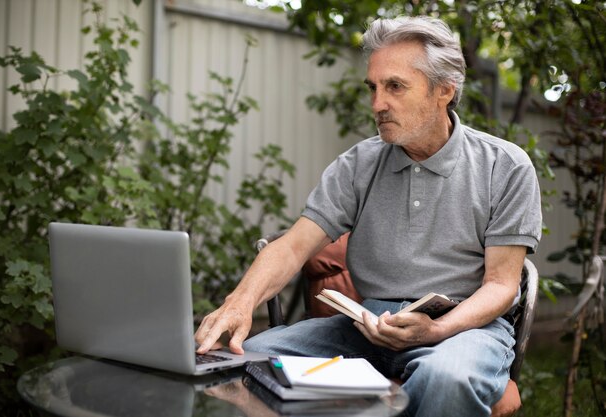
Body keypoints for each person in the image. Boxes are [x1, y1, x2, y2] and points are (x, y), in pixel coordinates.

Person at [195, 15, 542, 417]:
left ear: (444, 90)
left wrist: (437, 329)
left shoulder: (506, 166)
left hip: (463, 328)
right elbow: (292, 247)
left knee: (446, 379)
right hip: (365, 326)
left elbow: (501, 286)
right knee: (249, 360)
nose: (378, 104)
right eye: (373, 88)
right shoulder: (359, 163)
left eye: (394, 86)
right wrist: (239, 303)